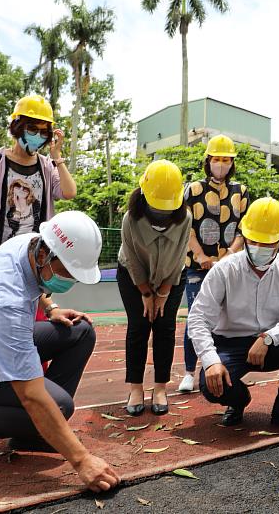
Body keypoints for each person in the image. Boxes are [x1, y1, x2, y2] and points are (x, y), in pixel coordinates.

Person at [0, 211, 120, 493]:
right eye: (67, 273)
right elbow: (31, 395)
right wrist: (81, 460)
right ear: (44, 256)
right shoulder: (4, 300)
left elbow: (34, 283)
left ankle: (35, 431)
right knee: (57, 406)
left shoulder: (31, 243)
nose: (70, 281)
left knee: (80, 331)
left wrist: (50, 308)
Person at [188, 197, 279, 434]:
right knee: (210, 385)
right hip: (230, 345)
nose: (261, 248)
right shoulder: (224, 270)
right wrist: (211, 361)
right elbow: (198, 318)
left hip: (272, 343)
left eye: (268, 243)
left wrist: (268, 337)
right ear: (245, 238)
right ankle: (238, 401)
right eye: (255, 241)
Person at [0, 95, 77, 268]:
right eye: (32, 129)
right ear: (17, 127)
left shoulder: (46, 165)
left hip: (32, 261)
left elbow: (69, 192)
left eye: (43, 131)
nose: (38, 135)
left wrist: (57, 157)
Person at [117, 160, 191, 416]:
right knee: (138, 326)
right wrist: (146, 292)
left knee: (165, 327)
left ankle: (160, 387)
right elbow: (133, 259)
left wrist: (163, 292)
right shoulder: (131, 219)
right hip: (133, 276)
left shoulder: (185, 218)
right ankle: (135, 387)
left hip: (171, 278)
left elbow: (180, 255)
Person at [179, 135, 250, 393]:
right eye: (217, 159)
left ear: (232, 164)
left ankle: (220, 366)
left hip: (230, 265)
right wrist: (200, 256)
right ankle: (188, 371)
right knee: (196, 316)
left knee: (226, 318)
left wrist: (230, 254)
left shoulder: (240, 192)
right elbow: (185, 228)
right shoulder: (192, 190)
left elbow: (244, 228)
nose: (221, 164)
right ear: (207, 161)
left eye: (226, 160)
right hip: (198, 267)